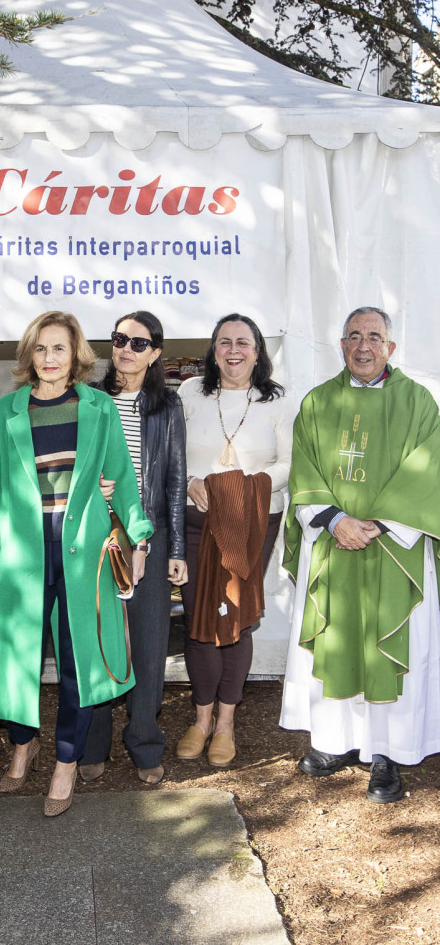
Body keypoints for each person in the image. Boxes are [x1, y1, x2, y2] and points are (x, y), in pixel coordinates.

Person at [0, 311, 152, 817]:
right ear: (29, 354)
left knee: (79, 663)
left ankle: (66, 761)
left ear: (76, 358)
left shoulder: (99, 408)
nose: (50, 358)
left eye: (60, 349)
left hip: (84, 557)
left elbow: (123, 477)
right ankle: (22, 745)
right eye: (41, 348)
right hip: (20, 556)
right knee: (17, 658)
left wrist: (139, 538)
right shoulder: (4, 412)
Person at [280, 307, 440, 804]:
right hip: (335, 543)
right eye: (354, 337)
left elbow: (429, 466)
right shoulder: (318, 402)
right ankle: (336, 743)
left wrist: (380, 524)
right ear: (341, 344)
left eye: (374, 337)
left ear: (390, 347)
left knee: (390, 644)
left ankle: (387, 753)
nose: (364, 346)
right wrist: (335, 521)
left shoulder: (417, 401)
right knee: (338, 636)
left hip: (396, 548)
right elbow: (304, 469)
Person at [176, 314, 293, 768]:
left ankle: (226, 723)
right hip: (195, 518)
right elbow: (171, 452)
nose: (233, 350)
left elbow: (289, 463)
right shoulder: (189, 393)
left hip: (252, 522)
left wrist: (244, 486)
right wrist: (189, 481)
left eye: (243, 342)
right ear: (213, 350)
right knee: (198, 617)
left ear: (257, 351)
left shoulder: (278, 401)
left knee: (236, 617)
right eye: (224, 342)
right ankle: (200, 720)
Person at [79, 311, 188, 786]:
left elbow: (176, 481)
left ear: (156, 353)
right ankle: (93, 743)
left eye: (139, 343)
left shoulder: (168, 406)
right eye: (120, 339)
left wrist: (176, 548)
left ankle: (144, 743)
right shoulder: (90, 400)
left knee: (147, 643)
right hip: (96, 536)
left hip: (151, 536)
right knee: (100, 637)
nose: (126, 348)